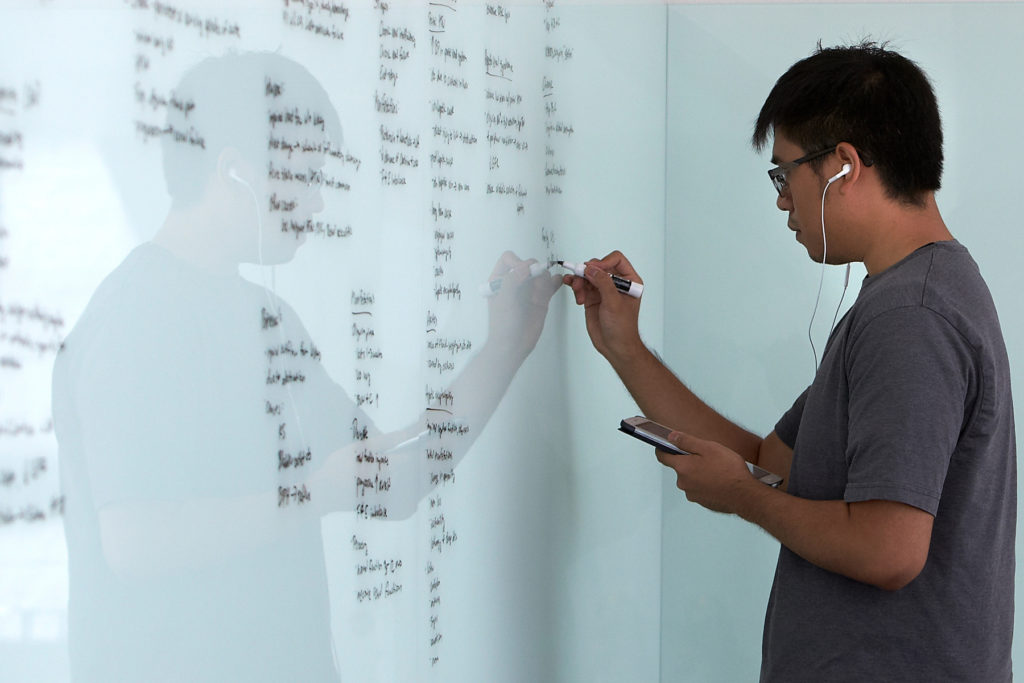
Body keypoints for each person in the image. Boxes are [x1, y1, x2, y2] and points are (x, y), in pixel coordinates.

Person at [53, 52, 559, 682]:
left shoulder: (267, 317)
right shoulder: (132, 320)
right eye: (305, 175)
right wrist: (314, 493)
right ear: (234, 170)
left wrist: (505, 347)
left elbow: (391, 478)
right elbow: (135, 542)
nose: (317, 203)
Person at [563, 41, 1015, 682]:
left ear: (843, 166)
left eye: (784, 173)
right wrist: (624, 346)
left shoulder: (911, 317)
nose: (781, 201)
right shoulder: (904, 299)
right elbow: (772, 462)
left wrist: (743, 498)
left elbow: (889, 550)